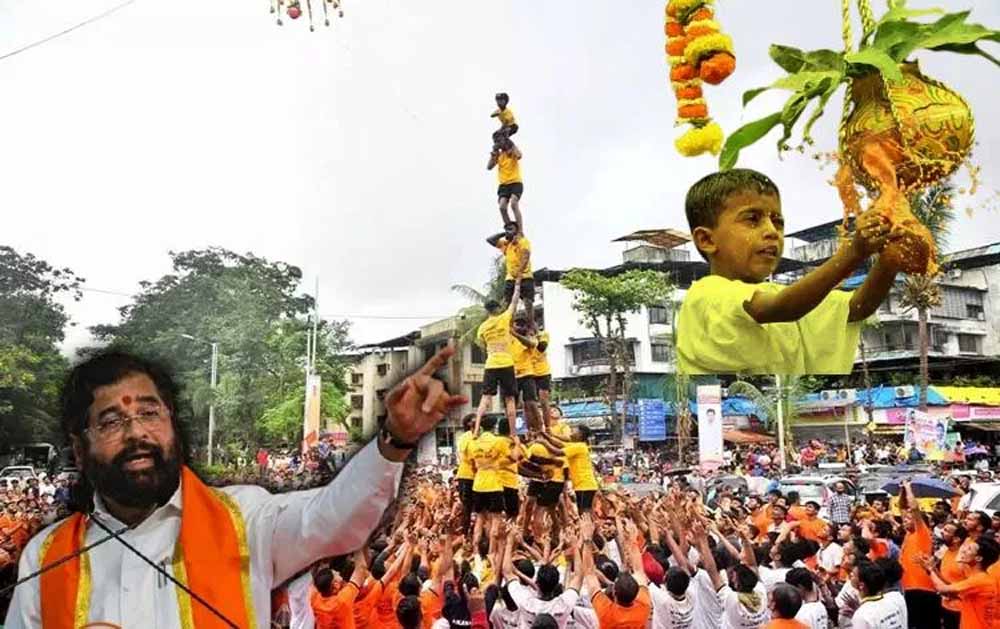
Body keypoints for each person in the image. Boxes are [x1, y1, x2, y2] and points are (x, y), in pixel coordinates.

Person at [3, 347, 466, 628]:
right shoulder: (44, 558)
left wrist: (395, 440)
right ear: (79, 448)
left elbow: (332, 518)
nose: (136, 431)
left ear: (173, 427)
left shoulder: (244, 519)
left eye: (149, 412)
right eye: (111, 421)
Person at [676, 168, 903, 374]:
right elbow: (781, 308)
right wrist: (852, 253)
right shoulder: (707, 294)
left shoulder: (779, 293)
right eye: (752, 219)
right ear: (706, 240)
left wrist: (891, 256)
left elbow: (857, 307)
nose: (772, 231)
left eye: (778, 222)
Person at [473, 275, 523, 438]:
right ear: (497, 309)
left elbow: (482, 345)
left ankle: (476, 429)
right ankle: (513, 433)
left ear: (487, 310)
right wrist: (517, 284)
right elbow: (514, 301)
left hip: (491, 364)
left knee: (485, 397)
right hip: (506, 363)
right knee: (510, 399)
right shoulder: (504, 318)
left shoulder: (482, 328)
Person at [488, 222, 534, 328]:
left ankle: (531, 325)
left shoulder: (523, 242)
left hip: (525, 276)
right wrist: (503, 234)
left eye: (511, 229)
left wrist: (519, 274)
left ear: (516, 231)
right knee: (507, 303)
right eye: (506, 229)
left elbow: (526, 257)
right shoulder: (506, 244)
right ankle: (508, 325)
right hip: (510, 278)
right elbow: (490, 240)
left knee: (528, 302)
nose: (508, 231)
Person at [510, 317, 541, 431]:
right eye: (517, 325)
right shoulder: (509, 339)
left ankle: (539, 429)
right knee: (511, 404)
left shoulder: (529, 337)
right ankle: (512, 431)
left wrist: (515, 334)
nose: (519, 327)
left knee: (531, 404)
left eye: (521, 325)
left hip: (527, 375)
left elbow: (531, 344)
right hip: (512, 376)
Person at [487, 136, 524, 229]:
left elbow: (519, 155)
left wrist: (511, 144)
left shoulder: (512, 151)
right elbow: (489, 167)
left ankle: (520, 230)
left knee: (514, 204)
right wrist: (494, 153)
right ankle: (510, 228)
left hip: (515, 182)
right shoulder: (498, 155)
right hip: (504, 185)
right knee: (502, 207)